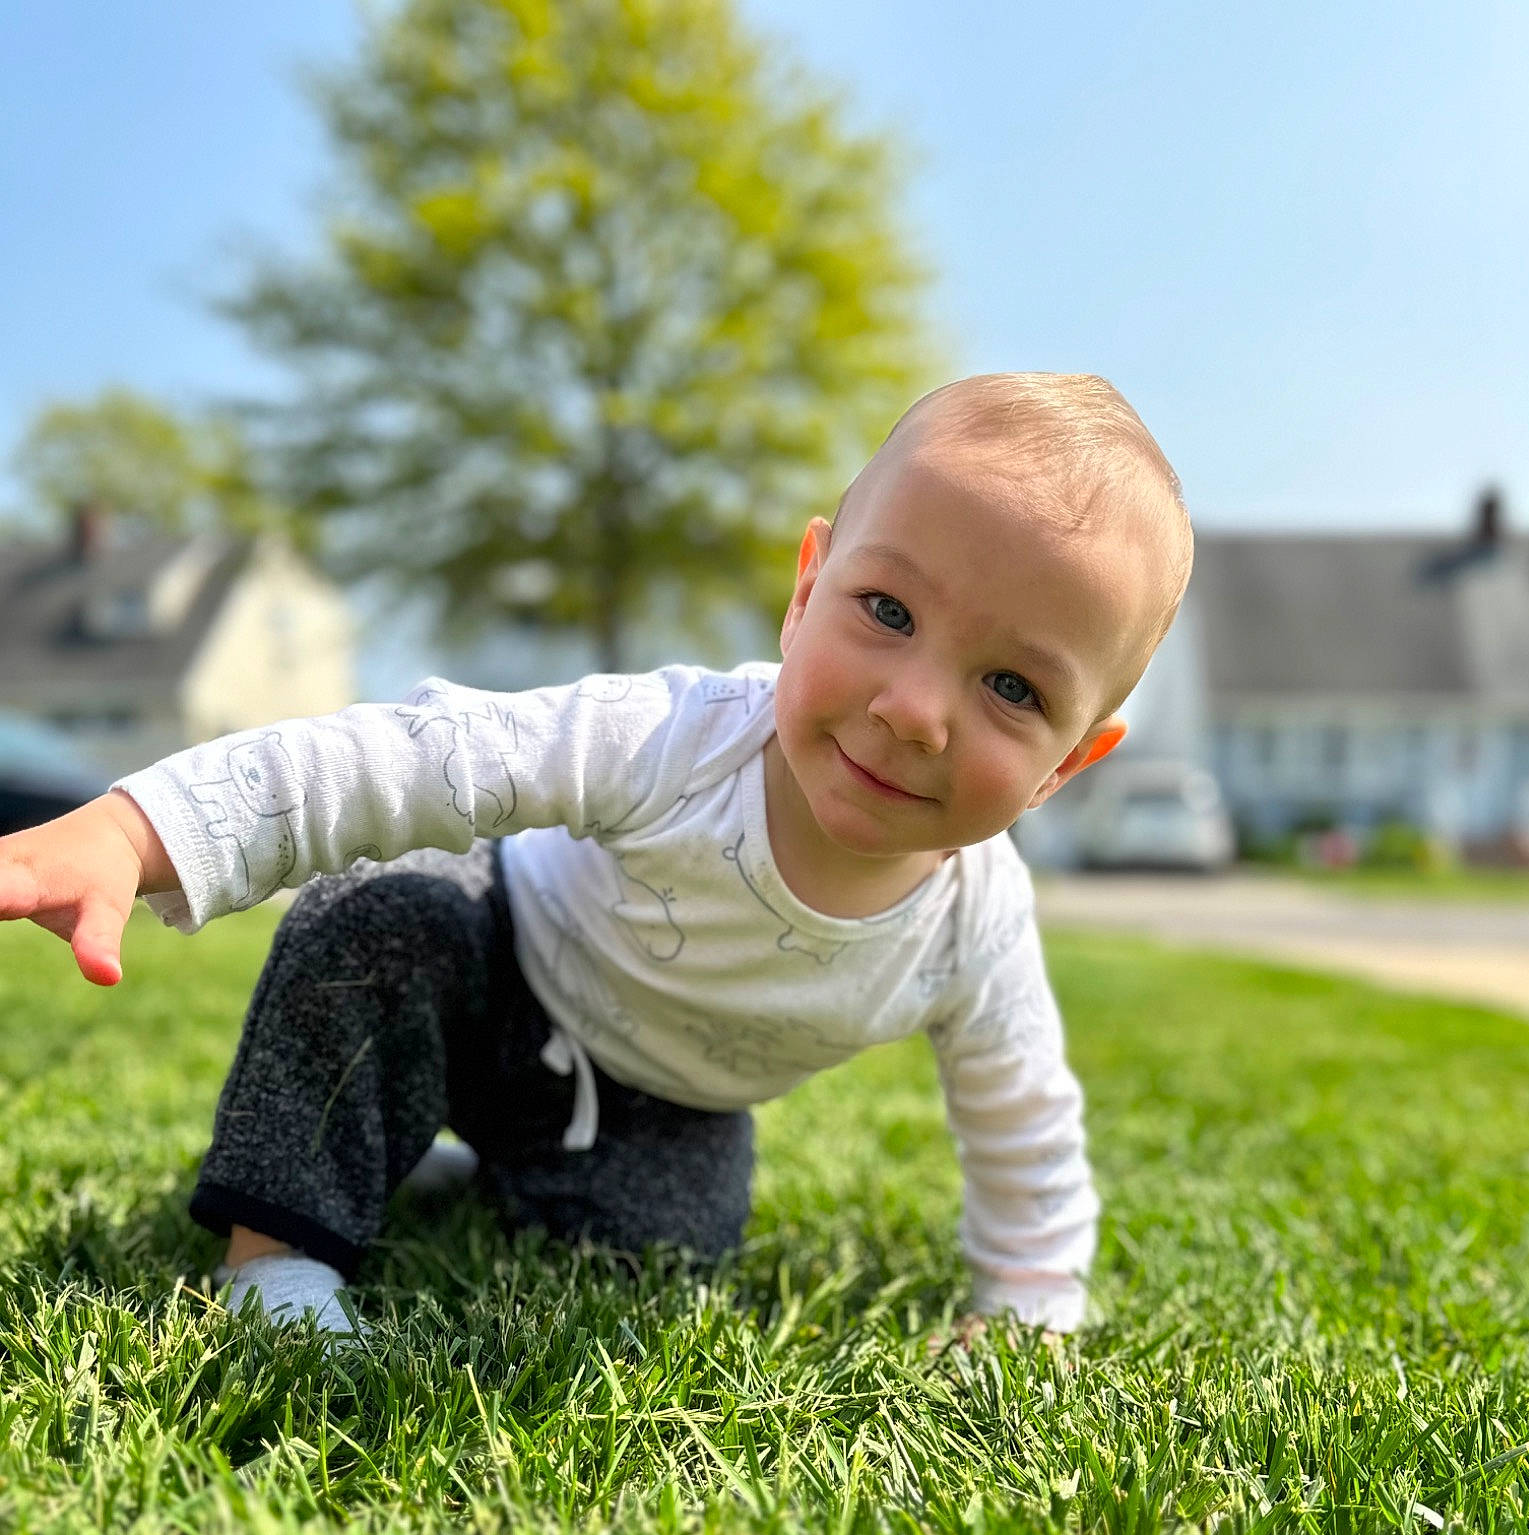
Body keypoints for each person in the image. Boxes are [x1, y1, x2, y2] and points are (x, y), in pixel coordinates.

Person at [0, 373, 1193, 1339]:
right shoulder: (676, 738)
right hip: (493, 959)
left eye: (1010, 686)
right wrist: (141, 827)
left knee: (663, 1267)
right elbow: (408, 757)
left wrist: (1030, 1314)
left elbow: (1024, 1118)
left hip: (663, 1103)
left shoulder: (976, 921)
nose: (916, 708)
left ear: (1064, 766)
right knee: (379, 915)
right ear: (806, 588)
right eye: (887, 611)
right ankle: (279, 1263)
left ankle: (451, 1162)